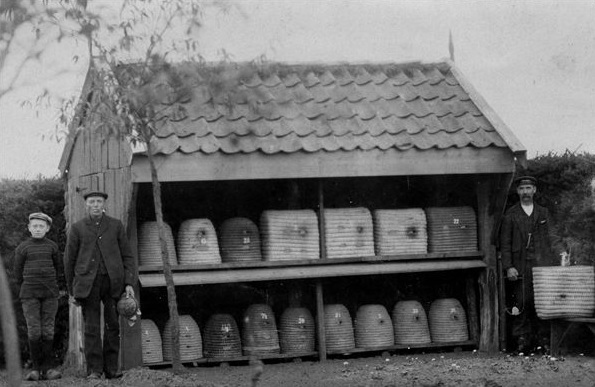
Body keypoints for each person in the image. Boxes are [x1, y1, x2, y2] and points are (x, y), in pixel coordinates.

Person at [64, 191, 137, 380]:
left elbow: (127, 256)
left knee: (113, 325)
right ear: (86, 205)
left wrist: (128, 282)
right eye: (91, 202)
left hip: (114, 283)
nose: (95, 205)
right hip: (88, 285)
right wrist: (73, 290)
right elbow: (69, 260)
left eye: (99, 201)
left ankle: (111, 369)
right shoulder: (78, 228)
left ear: (104, 204)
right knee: (92, 327)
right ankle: (94, 370)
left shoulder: (115, 225)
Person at [500, 176, 567, 354]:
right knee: (521, 303)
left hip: (541, 267)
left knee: (543, 303)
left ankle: (544, 342)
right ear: (517, 192)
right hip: (519, 267)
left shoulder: (543, 213)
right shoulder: (510, 214)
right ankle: (522, 342)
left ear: (534, 190)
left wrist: (562, 252)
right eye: (522, 189)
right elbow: (505, 243)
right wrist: (508, 267)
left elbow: (553, 237)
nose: (526, 192)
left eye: (529, 188)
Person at [14, 212, 65, 381]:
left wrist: (54, 286)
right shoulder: (23, 248)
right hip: (29, 295)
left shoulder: (52, 247)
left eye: (41, 226)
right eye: (34, 226)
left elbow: (58, 270)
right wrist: (28, 286)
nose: (37, 229)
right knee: (34, 330)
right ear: (29, 228)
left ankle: (48, 369)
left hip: (50, 294)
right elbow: (17, 273)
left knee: (48, 329)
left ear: (47, 228)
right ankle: (35, 369)